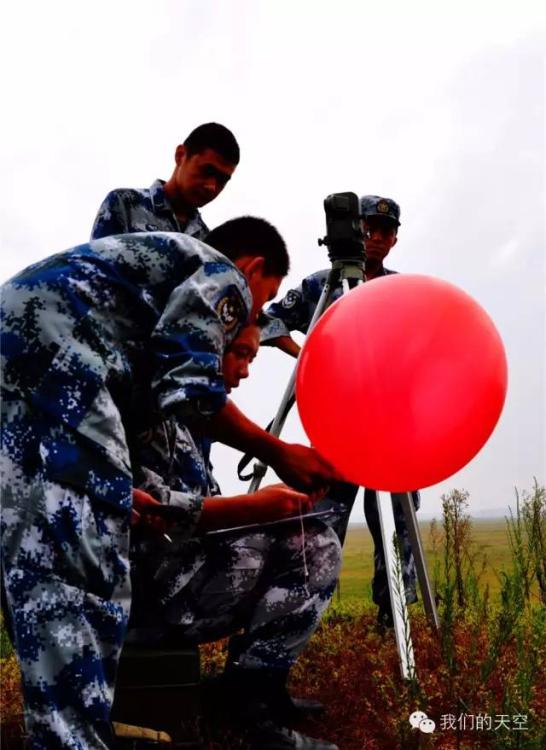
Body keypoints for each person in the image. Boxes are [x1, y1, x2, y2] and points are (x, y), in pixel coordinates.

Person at [0, 218, 336, 750]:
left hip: (27, 385)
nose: (244, 365)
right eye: (243, 341)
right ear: (250, 272)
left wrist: (115, 494)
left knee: (55, 569)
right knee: (82, 574)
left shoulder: (117, 357)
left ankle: (75, 728)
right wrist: (268, 476)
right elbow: (193, 396)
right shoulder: (219, 275)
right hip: (152, 578)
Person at [130, 321, 341, 749]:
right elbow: (149, 508)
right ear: (206, 351)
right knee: (313, 547)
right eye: (240, 355)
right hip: (144, 597)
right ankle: (250, 710)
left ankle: (257, 689)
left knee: (306, 530)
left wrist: (275, 506)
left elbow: (203, 506)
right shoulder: (140, 405)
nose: (244, 371)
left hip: (173, 576)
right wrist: (256, 506)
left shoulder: (186, 419)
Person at [258, 195, 420, 627]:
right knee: (325, 518)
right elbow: (268, 321)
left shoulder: (400, 292)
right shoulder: (320, 286)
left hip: (391, 426)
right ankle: (303, 614)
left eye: (385, 231)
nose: (376, 237)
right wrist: (307, 356)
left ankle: (394, 615)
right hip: (339, 426)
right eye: (368, 228)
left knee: (398, 522)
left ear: (395, 238)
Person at [91, 122, 239, 241]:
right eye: (207, 171)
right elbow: (100, 272)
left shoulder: (207, 242)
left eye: (222, 180)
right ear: (180, 155)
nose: (211, 187)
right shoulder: (125, 204)